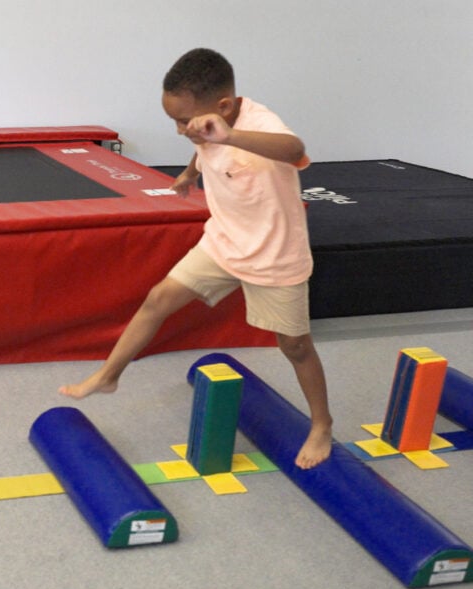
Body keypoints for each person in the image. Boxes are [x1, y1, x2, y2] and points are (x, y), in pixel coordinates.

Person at [59, 48, 332, 469]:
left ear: (222, 107)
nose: (180, 129)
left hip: (275, 254)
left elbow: (293, 148)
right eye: (174, 121)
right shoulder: (204, 129)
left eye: (184, 121)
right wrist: (190, 172)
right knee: (158, 299)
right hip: (222, 243)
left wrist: (228, 136)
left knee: (295, 346)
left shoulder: (261, 125)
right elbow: (203, 145)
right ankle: (109, 375)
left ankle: (322, 425)